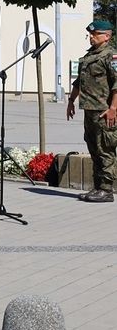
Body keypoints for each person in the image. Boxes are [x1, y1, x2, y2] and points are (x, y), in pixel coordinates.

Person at [66, 20, 117, 203]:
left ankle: (106, 190)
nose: (91, 37)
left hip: (104, 112)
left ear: (107, 36)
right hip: (90, 110)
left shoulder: (111, 56)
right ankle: (97, 187)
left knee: (105, 149)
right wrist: (71, 101)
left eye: (95, 34)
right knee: (93, 147)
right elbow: (79, 82)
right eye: (90, 34)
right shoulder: (89, 57)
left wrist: (113, 108)